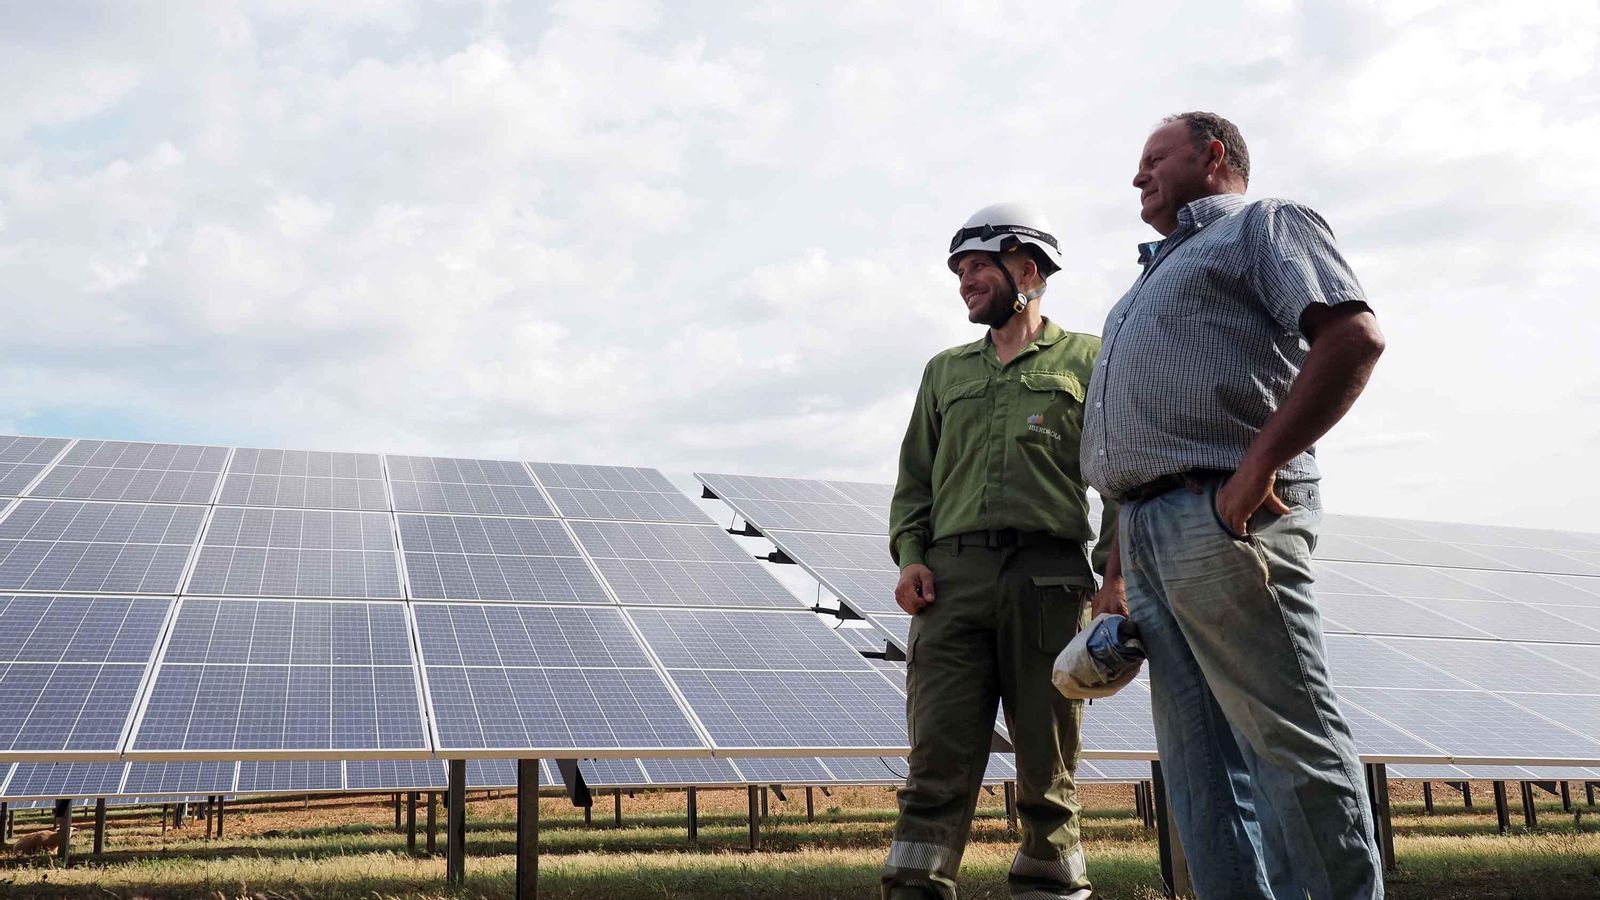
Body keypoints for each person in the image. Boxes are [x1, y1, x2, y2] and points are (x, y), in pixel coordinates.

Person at [1081, 111, 1387, 899]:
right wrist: (1117, 565)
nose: (1138, 175)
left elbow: (1353, 337)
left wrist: (1255, 471)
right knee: (1200, 774)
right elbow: (1137, 445)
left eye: (1155, 157)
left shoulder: (1262, 226)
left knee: (1286, 749)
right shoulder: (1150, 276)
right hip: (1148, 531)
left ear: (1212, 154)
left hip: (1224, 517)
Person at [883, 202, 1118, 900]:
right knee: (937, 757)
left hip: (1049, 580)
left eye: (978, 266)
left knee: (1048, 764)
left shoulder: (1091, 358)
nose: (964, 282)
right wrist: (910, 556)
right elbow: (914, 479)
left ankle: (1051, 882)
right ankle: (915, 885)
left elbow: (1120, 476)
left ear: (1027, 268)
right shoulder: (944, 372)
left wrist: (1115, 576)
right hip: (950, 583)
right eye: (959, 271)